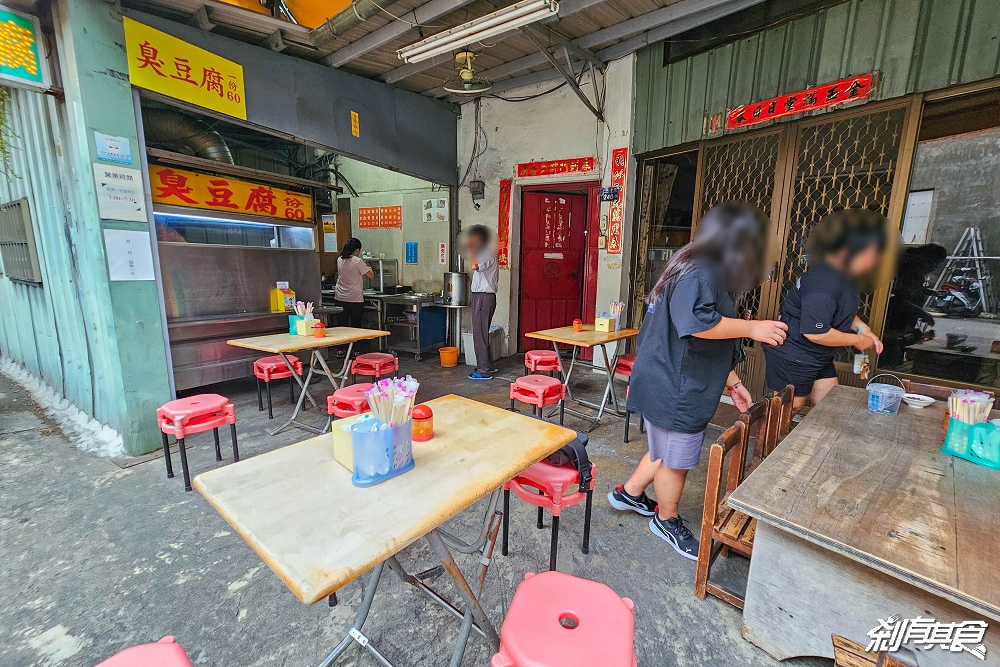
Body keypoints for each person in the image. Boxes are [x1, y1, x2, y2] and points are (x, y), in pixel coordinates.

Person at [608, 203, 788, 560]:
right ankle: (666, 518)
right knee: (677, 456)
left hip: (667, 377)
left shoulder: (697, 265)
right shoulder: (702, 271)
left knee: (666, 444)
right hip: (675, 385)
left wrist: (733, 383)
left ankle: (629, 493)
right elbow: (698, 324)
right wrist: (754, 327)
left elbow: (702, 339)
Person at [763, 208, 889, 415]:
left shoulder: (844, 276)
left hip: (818, 355)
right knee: (790, 407)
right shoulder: (823, 283)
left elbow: (841, 311)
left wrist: (862, 329)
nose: (873, 262)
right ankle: (769, 446)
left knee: (828, 405)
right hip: (796, 353)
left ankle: (816, 446)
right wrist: (857, 341)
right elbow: (815, 332)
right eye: (870, 256)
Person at [464, 225, 499, 381]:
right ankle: (488, 365)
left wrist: (471, 249)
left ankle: (483, 370)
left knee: (479, 334)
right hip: (485, 297)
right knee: (482, 333)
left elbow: (474, 266)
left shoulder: (485, 253)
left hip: (483, 297)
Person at [334, 237, 374, 329]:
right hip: (354, 299)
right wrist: (369, 268)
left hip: (340, 297)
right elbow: (370, 275)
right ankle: (355, 344)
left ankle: (343, 343)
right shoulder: (357, 261)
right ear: (356, 250)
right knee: (355, 326)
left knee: (342, 326)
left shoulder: (340, 259)